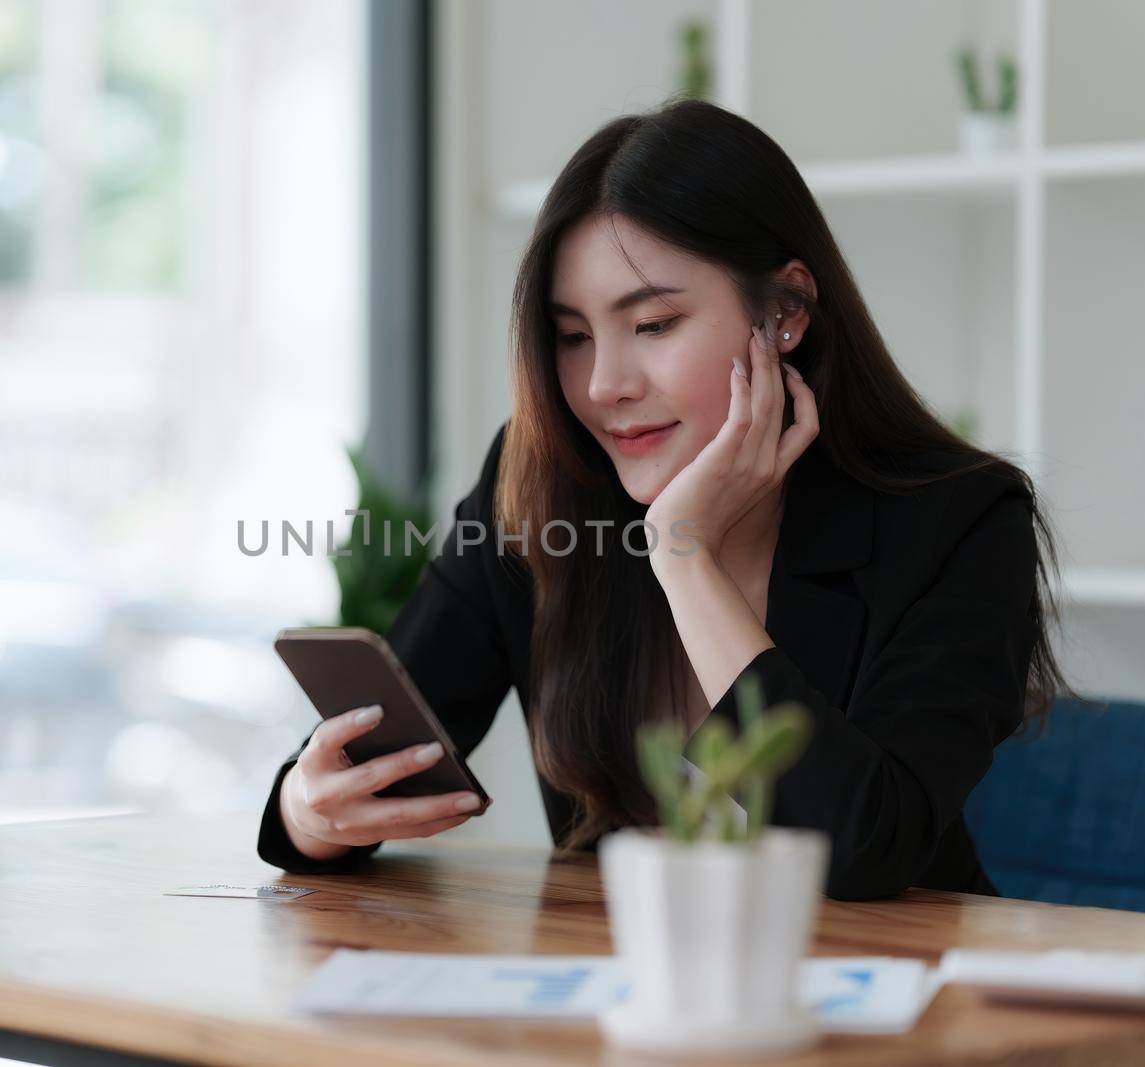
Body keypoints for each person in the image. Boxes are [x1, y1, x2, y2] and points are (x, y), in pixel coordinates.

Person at [257, 97, 1085, 900]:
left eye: (652, 325)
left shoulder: (962, 521)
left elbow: (866, 851)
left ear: (787, 311)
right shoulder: (541, 480)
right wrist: (309, 808)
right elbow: (367, 758)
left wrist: (685, 557)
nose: (605, 385)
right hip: (627, 1005)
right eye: (574, 337)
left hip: (889, 1013)